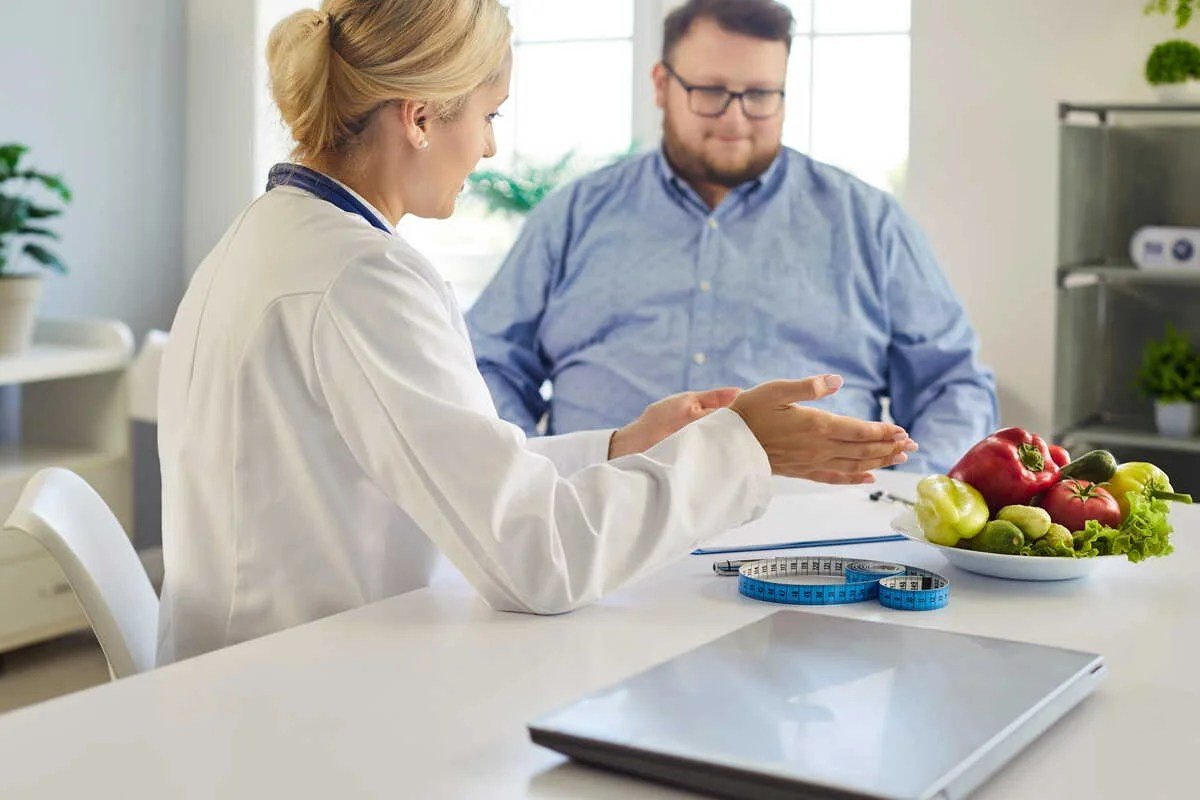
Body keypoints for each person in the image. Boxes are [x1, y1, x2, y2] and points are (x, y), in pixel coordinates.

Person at [155, 0, 917, 665]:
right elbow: (539, 559)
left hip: (261, 669)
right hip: (295, 700)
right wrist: (742, 448)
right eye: (489, 116)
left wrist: (620, 447)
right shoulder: (364, 280)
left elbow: (450, 470)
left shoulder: (269, 239)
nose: (489, 148)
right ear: (419, 118)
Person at [467, 0, 996, 475]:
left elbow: (952, 384)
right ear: (661, 84)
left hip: (822, 526)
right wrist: (531, 473)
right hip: (600, 515)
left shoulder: (871, 222)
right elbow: (486, 364)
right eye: (711, 92)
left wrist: (906, 493)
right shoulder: (573, 215)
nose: (736, 119)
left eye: (760, 95)